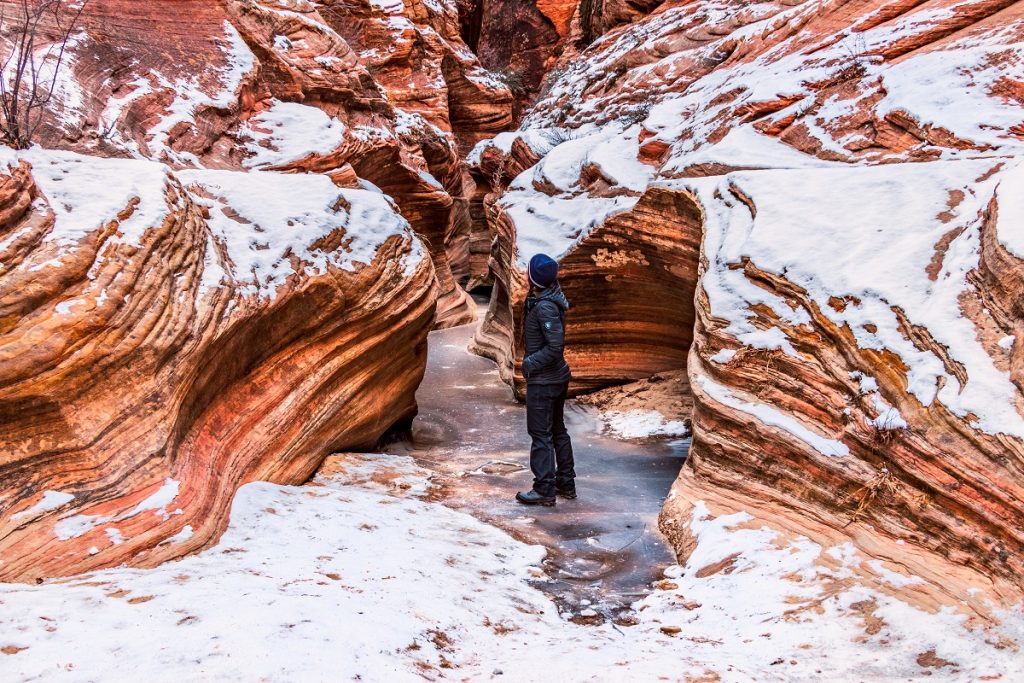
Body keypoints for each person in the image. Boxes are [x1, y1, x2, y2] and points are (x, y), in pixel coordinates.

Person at [516, 253, 575, 507]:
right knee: (557, 430)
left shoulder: (546, 307)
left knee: (541, 434)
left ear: (533, 279)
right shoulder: (548, 299)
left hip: (545, 381)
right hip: (556, 378)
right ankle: (565, 483)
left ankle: (544, 490)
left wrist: (529, 363)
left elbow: (555, 347)